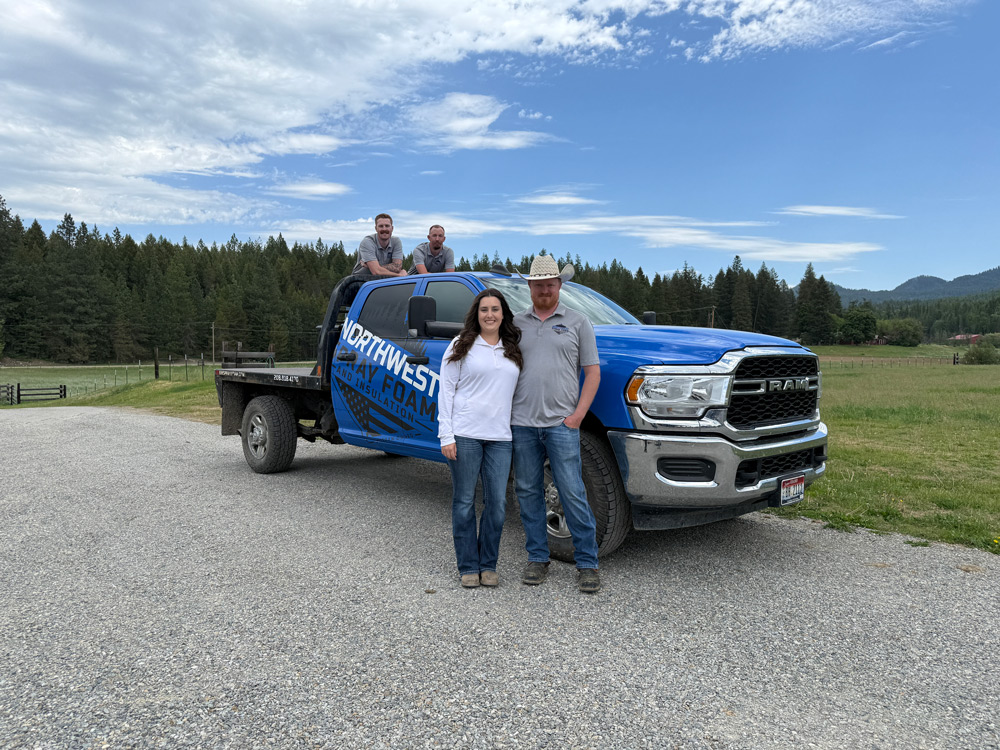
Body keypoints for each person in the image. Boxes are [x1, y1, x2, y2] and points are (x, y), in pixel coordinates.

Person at [511, 255, 602, 594]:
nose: (544, 290)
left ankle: (588, 563)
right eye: (538, 285)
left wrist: (577, 415)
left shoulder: (579, 322)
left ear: (559, 286)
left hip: (562, 424)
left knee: (573, 492)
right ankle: (538, 557)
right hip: (521, 423)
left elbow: (592, 372)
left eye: (550, 284)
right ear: (530, 287)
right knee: (528, 491)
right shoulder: (515, 323)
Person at [438, 289, 523, 588]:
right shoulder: (461, 345)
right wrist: (445, 435)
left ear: (503, 314)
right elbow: (446, 391)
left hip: (501, 437)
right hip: (465, 434)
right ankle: (468, 566)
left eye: (495, 309)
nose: (490, 315)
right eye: (484, 309)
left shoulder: (512, 349)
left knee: (497, 504)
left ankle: (489, 564)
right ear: (476, 314)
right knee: (464, 502)